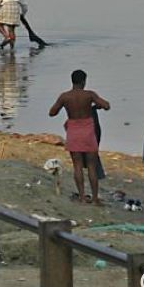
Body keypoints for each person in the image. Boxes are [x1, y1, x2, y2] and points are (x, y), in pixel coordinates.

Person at [49, 70, 111, 204]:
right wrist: (95, 106)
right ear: (83, 81)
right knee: (92, 166)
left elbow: (52, 112)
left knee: (77, 165)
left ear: (72, 81)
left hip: (73, 131)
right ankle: (95, 198)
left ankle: (82, 197)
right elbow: (106, 105)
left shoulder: (65, 96)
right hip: (88, 131)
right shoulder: (89, 95)